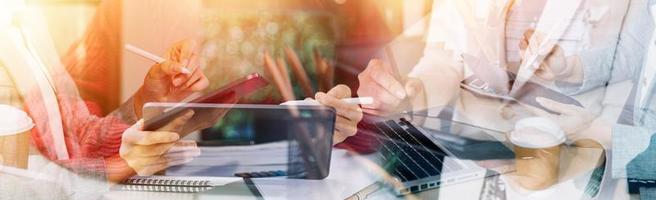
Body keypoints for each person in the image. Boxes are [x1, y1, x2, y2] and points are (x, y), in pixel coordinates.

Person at [0, 1, 210, 183]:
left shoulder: (26, 22)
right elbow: (12, 180)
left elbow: (81, 138)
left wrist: (149, 97)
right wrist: (114, 168)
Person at [356, 0, 630, 133]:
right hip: (477, 162)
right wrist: (410, 93)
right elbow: (446, 60)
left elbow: (629, 66)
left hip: (571, 165)